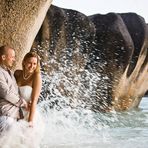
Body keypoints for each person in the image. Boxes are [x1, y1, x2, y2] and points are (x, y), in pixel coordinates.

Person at [0, 45, 28, 134]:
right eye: (12, 57)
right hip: (6, 116)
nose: (14, 59)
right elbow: (6, 93)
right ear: (3, 57)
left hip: (14, 117)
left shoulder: (10, 72)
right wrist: (22, 103)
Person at [14, 51, 42, 127]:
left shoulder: (36, 76)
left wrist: (30, 122)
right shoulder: (17, 73)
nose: (32, 66)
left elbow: (34, 100)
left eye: (34, 64)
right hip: (15, 109)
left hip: (28, 112)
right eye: (29, 62)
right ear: (24, 62)